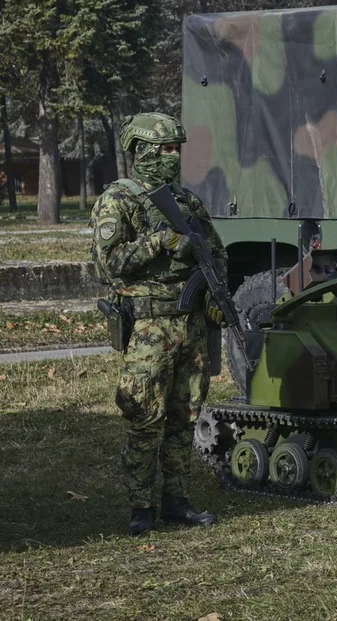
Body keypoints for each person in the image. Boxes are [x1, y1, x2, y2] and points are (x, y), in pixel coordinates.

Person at [90, 112, 225, 536]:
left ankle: (176, 500)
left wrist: (216, 293)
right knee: (145, 418)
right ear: (143, 151)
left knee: (185, 416)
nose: (172, 157)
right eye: (165, 149)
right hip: (149, 327)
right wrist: (161, 241)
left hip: (191, 325)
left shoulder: (186, 202)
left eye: (176, 150)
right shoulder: (119, 200)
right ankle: (141, 506)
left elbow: (215, 251)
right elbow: (109, 264)